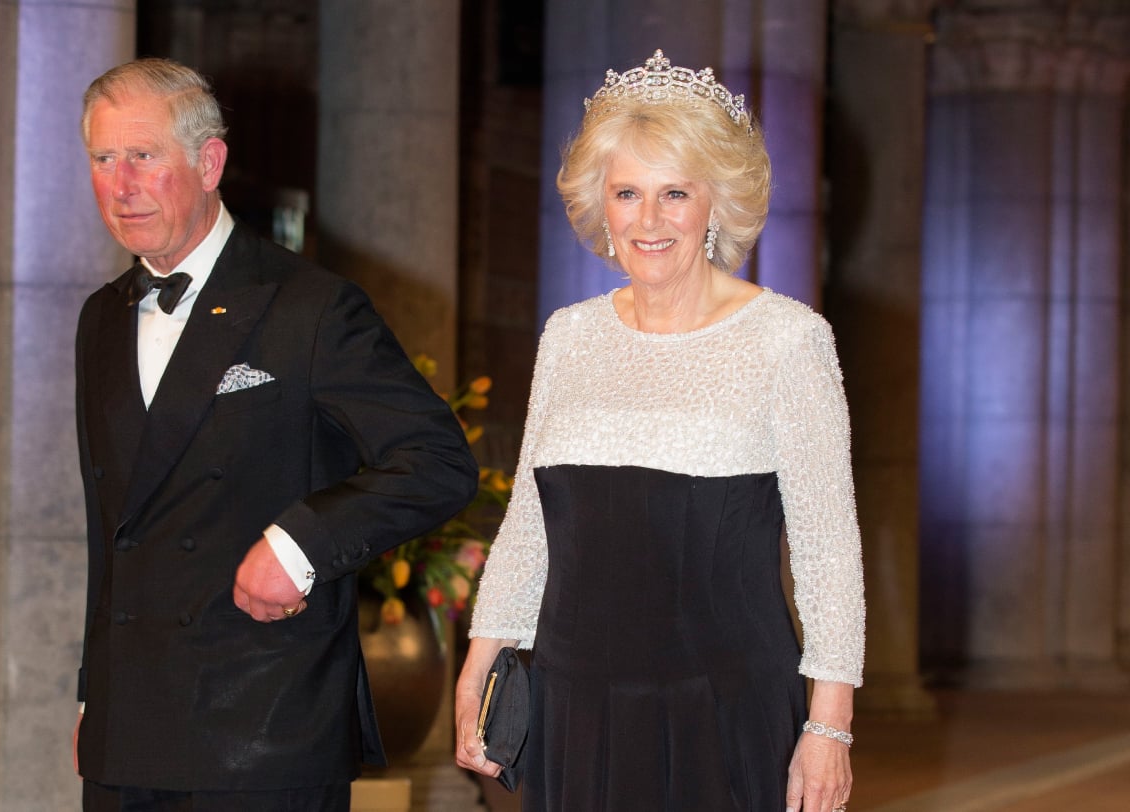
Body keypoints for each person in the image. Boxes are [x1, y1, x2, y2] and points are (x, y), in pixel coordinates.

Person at [455, 50, 865, 812]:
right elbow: (529, 526)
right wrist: (483, 657)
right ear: (600, 206)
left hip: (725, 704)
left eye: (675, 193)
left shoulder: (787, 338)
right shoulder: (569, 336)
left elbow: (828, 547)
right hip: (575, 702)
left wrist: (829, 725)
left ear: (716, 204)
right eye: (627, 193)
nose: (649, 220)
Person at [73, 57, 477, 811]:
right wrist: (95, 695)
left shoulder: (312, 309)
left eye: (143, 156)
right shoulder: (101, 317)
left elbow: (438, 462)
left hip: (264, 732)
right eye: (103, 159)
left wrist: (299, 546)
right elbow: (112, 533)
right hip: (129, 733)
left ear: (209, 161)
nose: (120, 185)